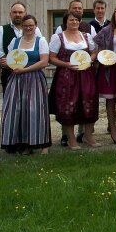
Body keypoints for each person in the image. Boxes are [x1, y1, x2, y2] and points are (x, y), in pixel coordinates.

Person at [0, 14, 51, 154]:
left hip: (34, 78)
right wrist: (6, 64)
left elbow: (44, 61)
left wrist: (25, 69)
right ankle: (22, 143)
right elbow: (10, 60)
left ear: (35, 26)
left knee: (35, 110)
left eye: (31, 25)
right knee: (17, 110)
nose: (28, 27)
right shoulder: (14, 42)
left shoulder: (41, 41)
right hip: (16, 80)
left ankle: (41, 143)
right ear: (22, 26)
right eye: (26, 25)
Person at [48, 12, 99, 150]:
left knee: (90, 103)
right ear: (66, 22)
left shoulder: (87, 36)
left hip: (86, 74)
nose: (74, 22)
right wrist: (66, 64)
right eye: (71, 20)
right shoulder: (58, 37)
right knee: (68, 106)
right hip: (66, 75)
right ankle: (71, 140)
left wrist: (90, 59)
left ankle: (88, 136)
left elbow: (94, 51)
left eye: (76, 20)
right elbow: (51, 57)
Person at [93, 6, 116, 144]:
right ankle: (112, 130)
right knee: (110, 100)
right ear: (114, 15)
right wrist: (103, 60)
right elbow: (99, 48)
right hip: (108, 69)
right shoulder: (106, 30)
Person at [0, 2, 43, 96]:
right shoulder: (1, 29)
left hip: (32, 73)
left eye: (20, 12)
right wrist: (9, 63)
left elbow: (39, 48)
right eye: (14, 12)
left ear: (25, 14)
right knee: (11, 101)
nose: (17, 14)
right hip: (9, 72)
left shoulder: (35, 29)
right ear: (10, 14)